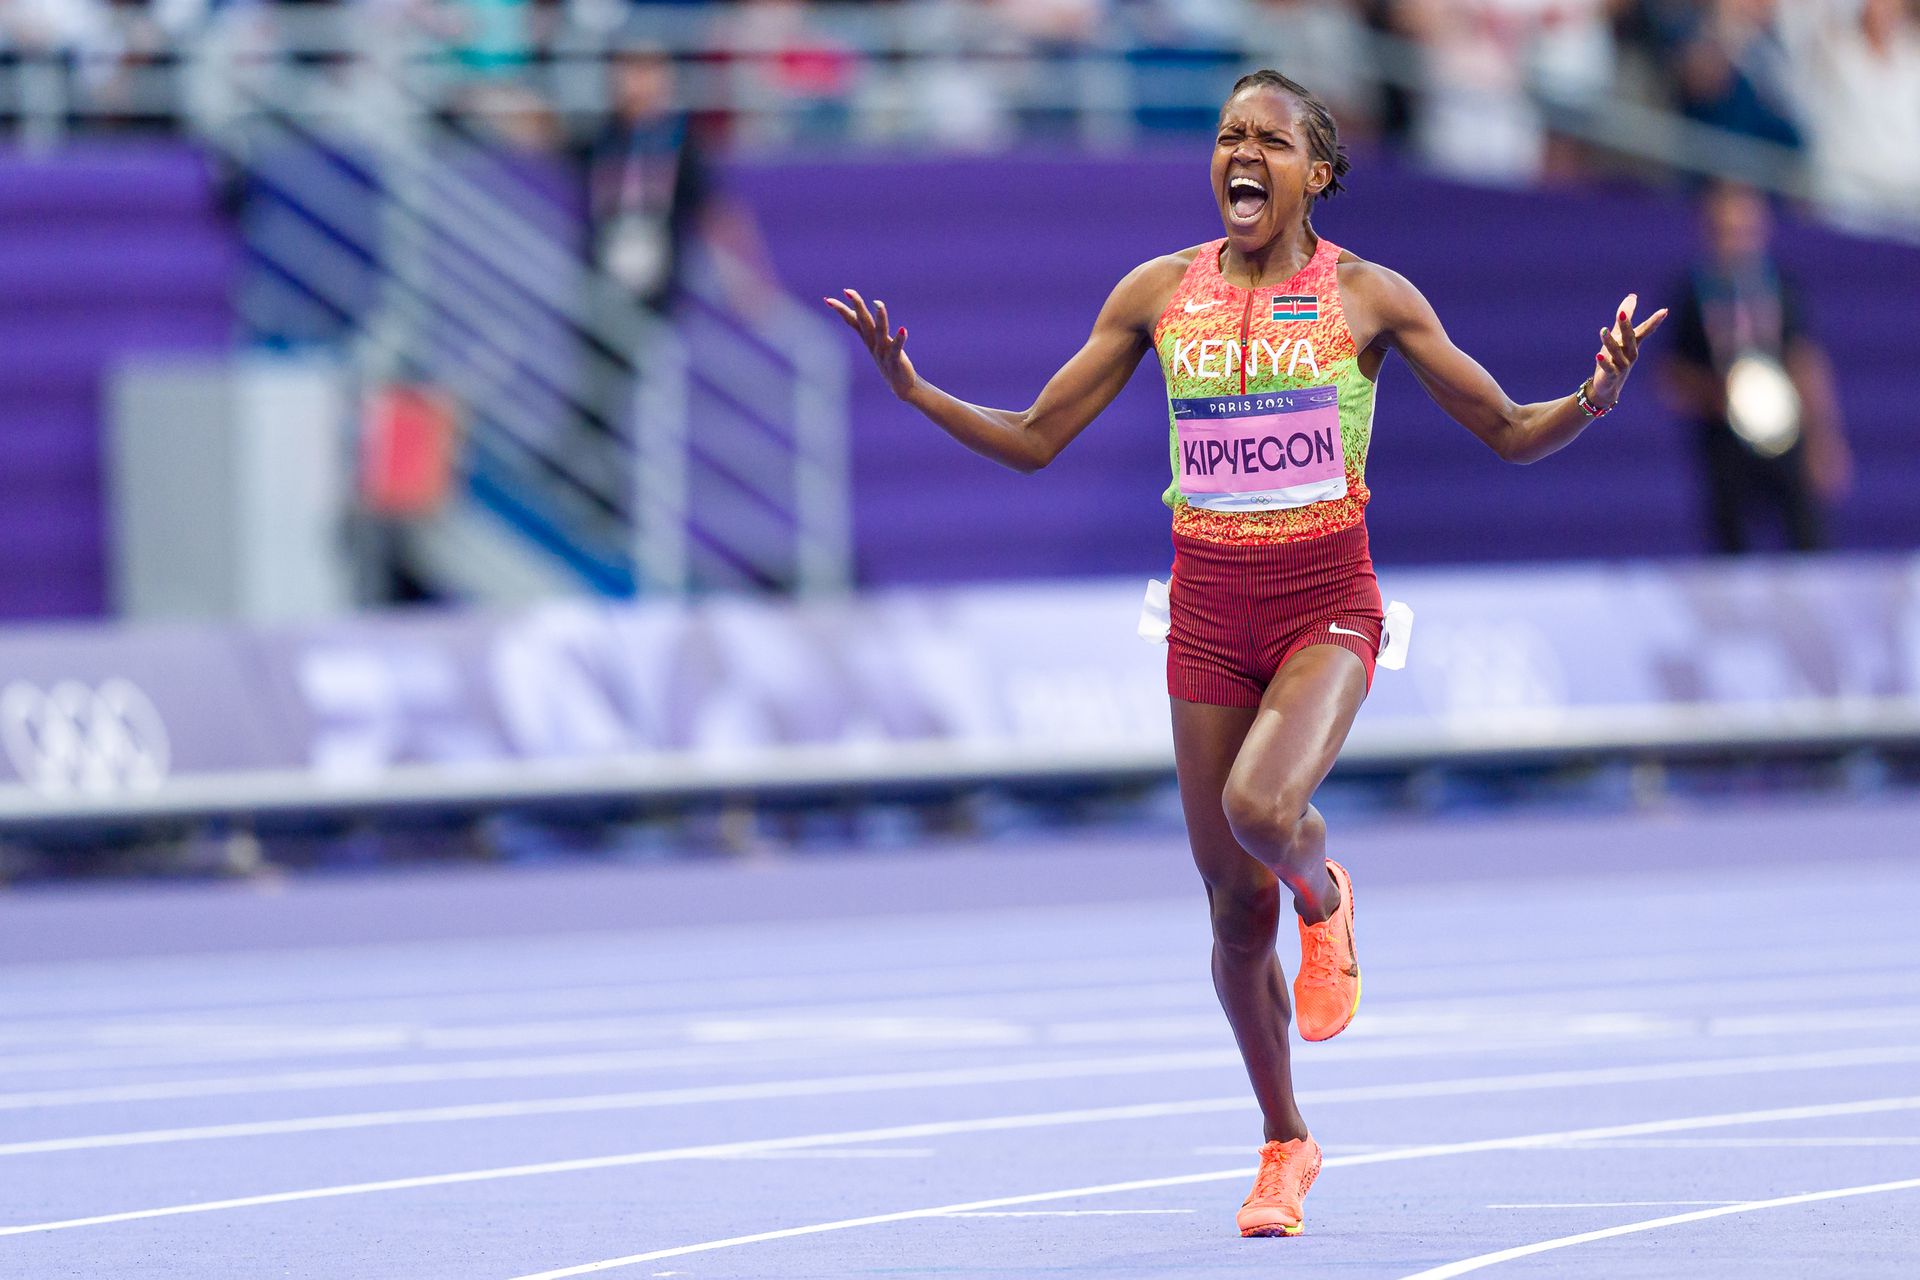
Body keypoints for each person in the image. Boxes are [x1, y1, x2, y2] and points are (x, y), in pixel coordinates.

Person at [826, 69, 1666, 1238]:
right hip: (1208, 609)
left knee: (1264, 808)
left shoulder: (1370, 297)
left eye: (1270, 139)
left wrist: (1595, 393)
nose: (1243, 153)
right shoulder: (1159, 292)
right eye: (1228, 135)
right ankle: (1284, 1140)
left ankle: (1327, 892)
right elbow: (1033, 439)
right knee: (1229, 912)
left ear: (1315, 172)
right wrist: (913, 389)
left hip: (1327, 598)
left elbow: (1511, 431)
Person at [1662, 181, 1850, 554]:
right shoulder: (1691, 293)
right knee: (1732, 549)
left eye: (1745, 231)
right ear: (1708, 232)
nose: (1737, 243)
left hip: (1789, 433)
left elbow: (1806, 361)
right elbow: (1670, 376)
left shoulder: (1782, 287)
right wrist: (1717, 395)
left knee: (1809, 542)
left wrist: (1824, 438)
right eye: (1726, 232)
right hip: (1723, 439)